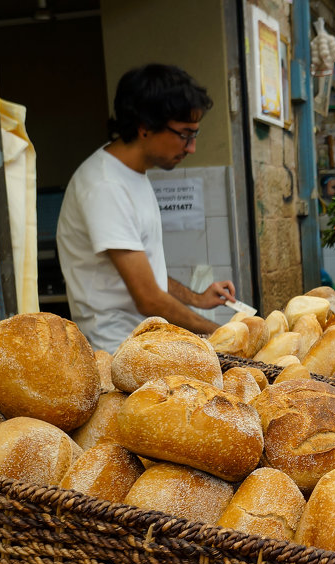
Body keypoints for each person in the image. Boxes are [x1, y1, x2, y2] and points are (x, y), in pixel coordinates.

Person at [56, 64, 235, 354]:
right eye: (185, 134)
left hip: (144, 343)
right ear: (145, 127)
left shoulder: (134, 174)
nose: (191, 148)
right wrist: (221, 336)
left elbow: (148, 274)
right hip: (118, 351)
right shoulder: (105, 186)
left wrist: (197, 298)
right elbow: (147, 298)